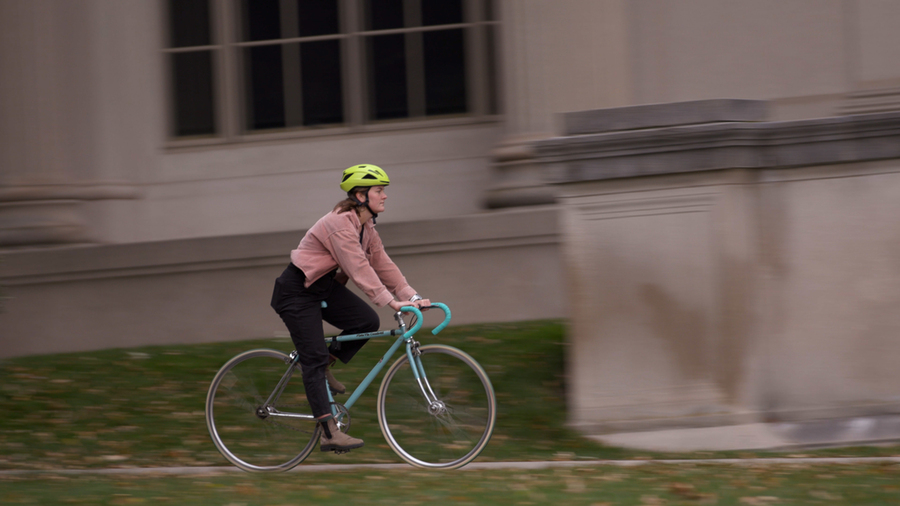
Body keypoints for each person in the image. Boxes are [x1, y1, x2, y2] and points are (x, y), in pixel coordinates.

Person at [270, 164, 430, 453]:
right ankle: (330, 433)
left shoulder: (366, 227)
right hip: (296, 292)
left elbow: (382, 263)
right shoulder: (340, 223)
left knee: (366, 320)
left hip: (322, 287)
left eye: (384, 191)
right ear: (360, 194)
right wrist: (392, 301)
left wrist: (412, 296)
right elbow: (358, 267)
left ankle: (326, 364)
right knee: (313, 360)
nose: (385, 196)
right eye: (379, 191)